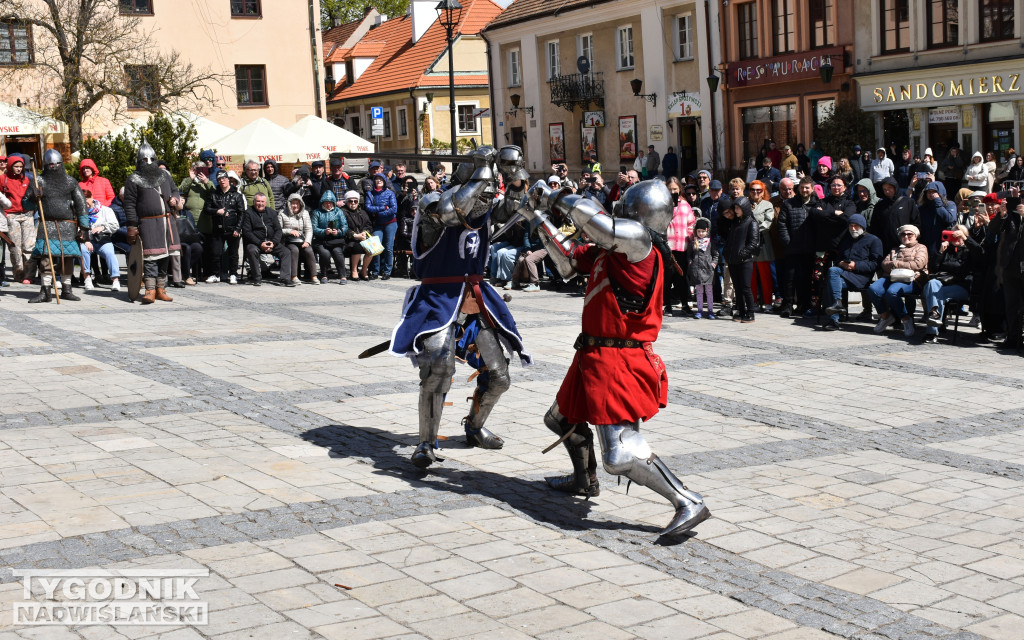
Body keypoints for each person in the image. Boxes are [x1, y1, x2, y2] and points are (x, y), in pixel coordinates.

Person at [520, 178, 709, 536]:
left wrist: (554, 197)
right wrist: (534, 213)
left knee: (619, 454)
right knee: (561, 420)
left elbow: (599, 224)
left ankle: (688, 500)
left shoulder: (640, 247)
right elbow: (566, 264)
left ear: (637, 213)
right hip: (592, 355)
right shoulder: (613, 251)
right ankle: (583, 481)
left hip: (618, 361)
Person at [388, 146, 529, 468]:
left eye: (489, 197)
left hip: (475, 298)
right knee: (440, 369)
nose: (486, 202)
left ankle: (474, 427)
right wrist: (481, 170)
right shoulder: (434, 206)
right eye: (481, 195)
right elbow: (454, 213)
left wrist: (513, 170)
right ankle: (425, 442)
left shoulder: (485, 212)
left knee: (499, 377)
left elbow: (517, 205)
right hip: (438, 299)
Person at [124, 143, 183, 304]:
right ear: (139, 161)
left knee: (165, 257)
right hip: (148, 223)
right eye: (145, 159)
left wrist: (174, 198)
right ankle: (149, 289)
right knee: (150, 258)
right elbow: (129, 204)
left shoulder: (165, 175)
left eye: (151, 159)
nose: (149, 162)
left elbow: (175, 190)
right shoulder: (134, 179)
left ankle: (160, 288)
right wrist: (132, 226)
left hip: (167, 221)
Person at [27, 150, 89, 303]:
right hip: (47, 224)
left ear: (62, 164)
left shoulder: (70, 182)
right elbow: (25, 204)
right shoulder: (38, 181)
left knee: (67, 259)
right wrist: (33, 197)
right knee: (45, 259)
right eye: (51, 164)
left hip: (67, 225)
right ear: (46, 166)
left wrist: (85, 228)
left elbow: (81, 205)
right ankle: (46, 291)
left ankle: (66, 289)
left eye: (57, 164)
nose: (54, 166)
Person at [922, 225, 982, 343]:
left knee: (935, 291)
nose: (956, 238)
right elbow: (933, 269)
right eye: (953, 235)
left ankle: (932, 331)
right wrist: (940, 252)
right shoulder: (946, 249)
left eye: (959, 235)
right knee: (932, 283)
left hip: (961, 286)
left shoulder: (970, 251)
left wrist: (966, 240)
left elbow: (980, 253)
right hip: (941, 284)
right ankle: (934, 320)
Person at [821, 214, 882, 330]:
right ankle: (836, 310)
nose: (853, 229)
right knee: (833, 274)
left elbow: (876, 264)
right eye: (851, 226)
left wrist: (856, 266)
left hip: (860, 277)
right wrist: (841, 263)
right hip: (843, 274)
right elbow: (838, 258)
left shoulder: (874, 240)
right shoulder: (846, 240)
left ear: (862, 226)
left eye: (856, 226)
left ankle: (834, 318)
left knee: (832, 275)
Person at [870, 224, 928, 337]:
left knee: (892, 292)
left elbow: (918, 264)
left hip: (912, 279)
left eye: (909, 234)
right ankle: (886, 316)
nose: (906, 236)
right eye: (903, 234)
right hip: (892, 277)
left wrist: (896, 264)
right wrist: (896, 265)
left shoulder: (921, 248)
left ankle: (906, 319)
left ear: (915, 235)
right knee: (873, 289)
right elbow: (884, 264)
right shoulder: (895, 249)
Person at [777, 177, 819, 316]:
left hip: (809, 248)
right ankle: (787, 306)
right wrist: (788, 242)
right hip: (792, 247)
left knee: (805, 278)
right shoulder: (789, 204)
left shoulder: (817, 204)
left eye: (807, 187)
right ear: (798, 188)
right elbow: (781, 224)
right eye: (802, 187)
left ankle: (804, 305)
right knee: (789, 278)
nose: (804, 190)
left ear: (812, 189)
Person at [201, 169, 245, 284]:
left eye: (224, 179)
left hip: (232, 228)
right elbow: (206, 209)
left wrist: (238, 228)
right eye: (219, 179)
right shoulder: (214, 195)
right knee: (215, 253)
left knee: (233, 254)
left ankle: (233, 274)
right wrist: (217, 211)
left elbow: (242, 213)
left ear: (228, 180)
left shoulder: (237, 195)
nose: (222, 181)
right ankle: (216, 274)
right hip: (218, 228)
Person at [722, 196, 760, 322]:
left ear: (744, 208)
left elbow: (753, 243)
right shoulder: (735, 222)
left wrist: (741, 254)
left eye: (738, 208)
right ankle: (741, 310)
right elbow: (729, 239)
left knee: (745, 287)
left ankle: (750, 312)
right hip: (733, 260)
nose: (736, 210)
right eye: (735, 208)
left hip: (744, 260)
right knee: (737, 287)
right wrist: (727, 253)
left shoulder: (751, 222)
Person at [241, 192, 291, 286]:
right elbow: (247, 232)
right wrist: (260, 243)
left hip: (271, 242)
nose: (260, 204)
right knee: (251, 250)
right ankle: (257, 277)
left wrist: (274, 243)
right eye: (258, 201)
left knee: (286, 252)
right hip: (255, 243)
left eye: (262, 201)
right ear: (254, 201)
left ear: (266, 202)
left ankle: (285, 278)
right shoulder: (248, 213)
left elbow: (278, 230)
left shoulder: (271, 212)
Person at [1, 154, 36, 283]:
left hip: (27, 215)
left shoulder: (27, 179)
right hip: (11, 215)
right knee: (15, 247)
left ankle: (29, 275)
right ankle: (19, 273)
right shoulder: (2, 179)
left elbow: (32, 195)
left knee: (29, 246)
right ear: (10, 166)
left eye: (21, 166)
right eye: (16, 166)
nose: (19, 169)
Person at [665, 177, 695, 315]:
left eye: (675, 189)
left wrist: (690, 239)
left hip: (682, 245)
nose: (672, 191)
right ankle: (667, 306)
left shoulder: (685, 205)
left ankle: (685, 304)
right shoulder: (663, 204)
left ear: (679, 189)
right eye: (670, 189)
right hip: (668, 246)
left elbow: (691, 224)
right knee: (667, 277)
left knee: (682, 277)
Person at [870, 177, 923, 256]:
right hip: (885, 247)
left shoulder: (908, 202)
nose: (887, 191)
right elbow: (874, 226)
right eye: (884, 189)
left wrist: (910, 239)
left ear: (895, 187)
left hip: (905, 246)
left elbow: (916, 223)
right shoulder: (879, 206)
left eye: (889, 188)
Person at [365, 173, 398, 280]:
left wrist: (378, 213)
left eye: (380, 179)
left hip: (390, 223)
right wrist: (383, 207)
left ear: (384, 181)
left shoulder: (390, 193)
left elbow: (393, 209)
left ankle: (387, 271)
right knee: (376, 248)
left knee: (388, 248)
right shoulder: (370, 194)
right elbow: (368, 207)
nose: (378, 181)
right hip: (378, 224)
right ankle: (375, 271)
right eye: (376, 179)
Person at [748, 180, 775, 311]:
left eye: (759, 190)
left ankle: (768, 302)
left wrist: (751, 230)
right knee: (750, 274)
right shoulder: (745, 204)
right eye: (753, 189)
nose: (755, 192)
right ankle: (753, 301)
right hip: (748, 244)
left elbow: (767, 223)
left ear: (763, 191)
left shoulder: (767, 205)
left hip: (762, 243)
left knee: (765, 275)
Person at [279, 193, 318, 285]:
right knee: (294, 250)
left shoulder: (305, 213)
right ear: (289, 204)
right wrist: (289, 231)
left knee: (308, 250)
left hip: (301, 240)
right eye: (293, 203)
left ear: (301, 204)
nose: (295, 205)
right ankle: (294, 276)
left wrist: (307, 241)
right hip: (288, 240)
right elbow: (278, 230)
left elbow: (309, 229)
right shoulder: (282, 213)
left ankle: (314, 276)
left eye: (297, 203)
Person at [311, 190, 348, 283]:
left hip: (335, 240)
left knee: (337, 252)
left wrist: (338, 232)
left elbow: (345, 226)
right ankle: (324, 274)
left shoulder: (338, 211)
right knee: (324, 253)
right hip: (321, 240)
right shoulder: (316, 212)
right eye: (326, 202)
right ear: (322, 202)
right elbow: (314, 228)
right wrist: (324, 231)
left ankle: (342, 275)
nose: (328, 205)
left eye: (330, 202)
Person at [917, 181, 957, 266]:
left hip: (942, 243)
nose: (931, 194)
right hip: (926, 241)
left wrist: (938, 202)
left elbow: (949, 219)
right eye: (929, 192)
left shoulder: (949, 205)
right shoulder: (922, 208)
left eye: (934, 191)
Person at [688, 218, 718, 319]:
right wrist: (691, 263)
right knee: (699, 291)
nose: (701, 233)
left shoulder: (710, 242)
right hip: (697, 270)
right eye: (699, 231)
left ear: (707, 230)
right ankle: (699, 310)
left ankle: (710, 310)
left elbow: (715, 255)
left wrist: (713, 264)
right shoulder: (693, 242)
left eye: (703, 231)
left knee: (709, 291)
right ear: (696, 231)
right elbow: (689, 255)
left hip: (708, 270)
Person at [340, 190, 373, 280]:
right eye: (351, 201)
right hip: (348, 240)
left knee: (371, 247)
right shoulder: (342, 212)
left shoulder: (362, 212)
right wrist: (355, 235)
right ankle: (354, 270)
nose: (353, 203)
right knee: (357, 246)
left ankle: (363, 270)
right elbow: (343, 227)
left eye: (356, 201)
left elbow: (368, 225)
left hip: (363, 237)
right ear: (346, 202)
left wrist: (365, 232)